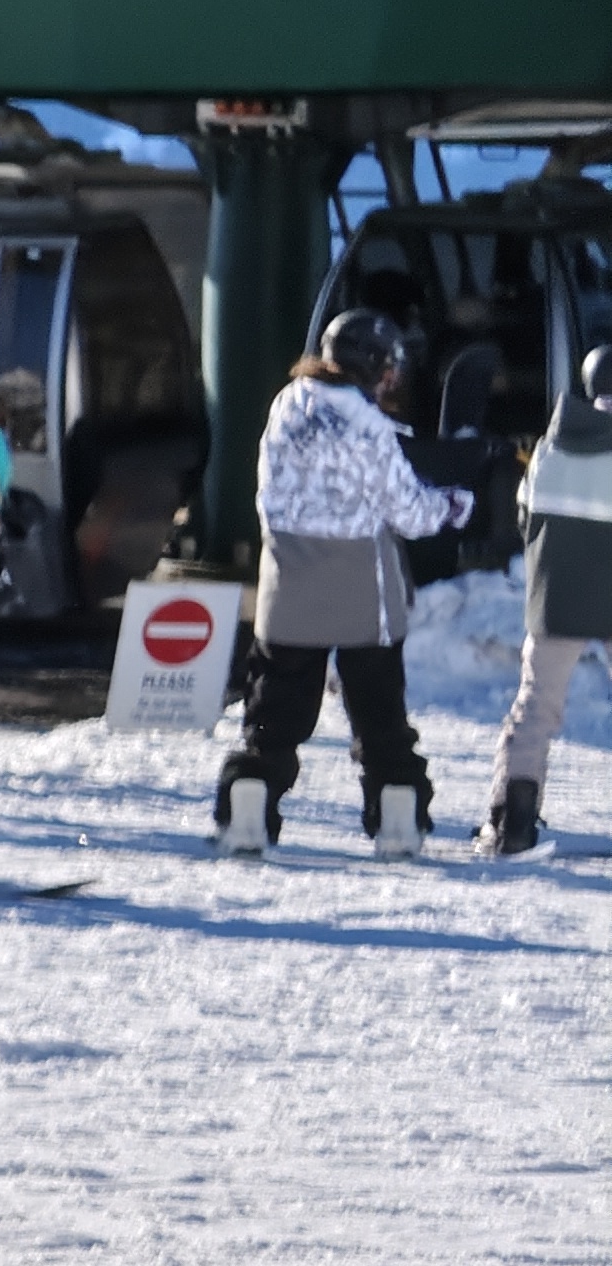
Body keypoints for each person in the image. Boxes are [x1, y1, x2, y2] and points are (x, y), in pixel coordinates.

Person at [214, 307, 469, 856]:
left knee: (272, 715)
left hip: (289, 583)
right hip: (362, 591)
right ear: (377, 366)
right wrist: (450, 506)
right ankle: (398, 819)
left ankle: (249, 810)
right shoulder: (367, 424)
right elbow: (408, 511)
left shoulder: (287, 404)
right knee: (379, 716)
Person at [476, 342, 612, 857]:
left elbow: (523, 516)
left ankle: (512, 824)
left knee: (535, 708)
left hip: (558, 598)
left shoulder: (552, 445)